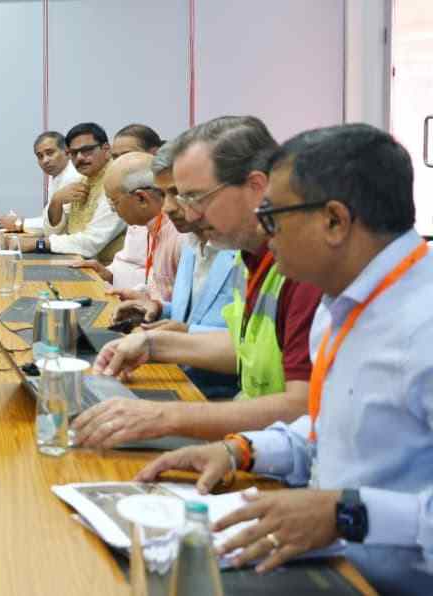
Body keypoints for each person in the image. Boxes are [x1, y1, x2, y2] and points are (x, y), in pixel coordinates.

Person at [135, 124, 433, 595]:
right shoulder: (341, 308)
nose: (264, 232)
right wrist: (242, 450)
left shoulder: (422, 327)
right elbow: (329, 429)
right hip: (330, 567)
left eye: (274, 216)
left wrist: (345, 513)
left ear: (334, 221)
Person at [72, 115, 323, 448]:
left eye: (195, 198)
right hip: (255, 442)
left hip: (267, 446)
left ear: (257, 188)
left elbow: (302, 407)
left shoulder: (303, 266)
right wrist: (151, 345)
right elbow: (244, 347)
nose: (185, 214)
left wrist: (166, 418)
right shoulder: (253, 256)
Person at [113, 138, 241, 398]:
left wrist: (184, 334)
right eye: (166, 194)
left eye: (182, 194)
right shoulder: (193, 240)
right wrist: (160, 309)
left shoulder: (244, 249)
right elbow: (196, 314)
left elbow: (253, 344)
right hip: (179, 377)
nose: (168, 207)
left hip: (217, 397)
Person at [71, 152, 181, 297]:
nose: (113, 209)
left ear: (141, 198)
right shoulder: (148, 224)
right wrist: (109, 275)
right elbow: (155, 286)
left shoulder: (179, 232)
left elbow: (178, 302)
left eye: (114, 202)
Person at [20, 122, 126, 263]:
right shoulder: (82, 180)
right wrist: (56, 201)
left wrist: (38, 244)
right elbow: (54, 233)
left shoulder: (116, 181)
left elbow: (91, 243)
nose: (80, 158)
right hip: (80, 263)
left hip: (108, 272)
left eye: (87, 150)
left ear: (106, 149)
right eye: (74, 153)